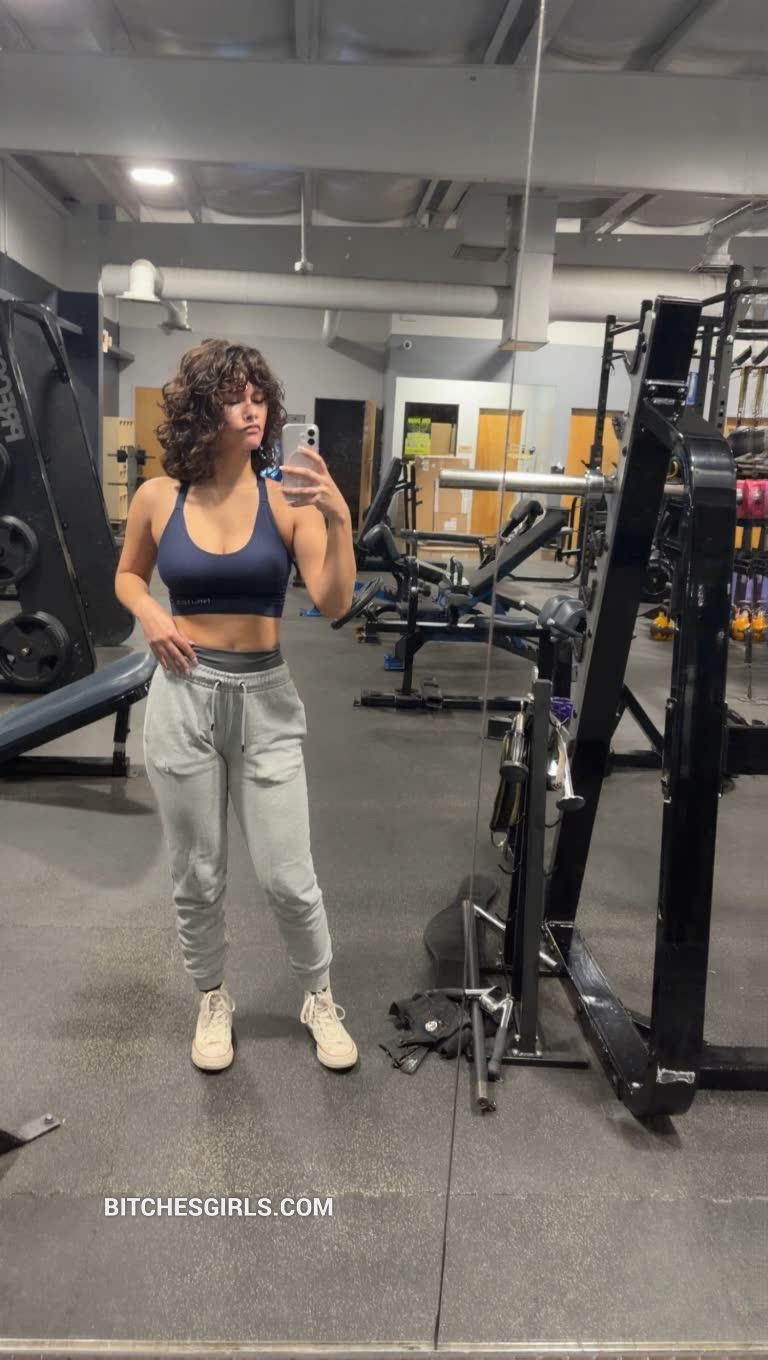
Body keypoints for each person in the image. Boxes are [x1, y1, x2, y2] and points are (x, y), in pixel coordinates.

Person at [115, 339, 357, 1075]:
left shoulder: (287, 500)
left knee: (288, 876)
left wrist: (340, 518)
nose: (252, 410)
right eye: (234, 397)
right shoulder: (158, 497)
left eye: (259, 397)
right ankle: (212, 996)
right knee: (197, 873)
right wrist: (151, 614)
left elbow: (334, 603)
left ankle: (319, 996)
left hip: (265, 702)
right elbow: (128, 577)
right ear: (203, 409)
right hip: (183, 698)